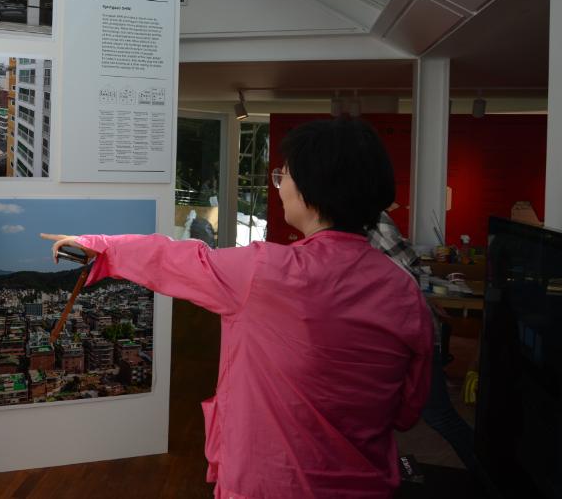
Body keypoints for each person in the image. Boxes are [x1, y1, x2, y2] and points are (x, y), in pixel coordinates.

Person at [44, 118, 433, 498]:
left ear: (313, 191)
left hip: (272, 480)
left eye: (285, 176)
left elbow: (174, 259)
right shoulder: (403, 289)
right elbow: (406, 410)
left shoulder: (266, 272)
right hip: (368, 481)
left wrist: (97, 244)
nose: (279, 187)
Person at [368, 211, 490, 486]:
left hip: (409, 335)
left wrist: (429, 294)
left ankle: (494, 475)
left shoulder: (371, 219)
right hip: (390, 336)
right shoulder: (356, 219)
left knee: (439, 414)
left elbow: (409, 273)